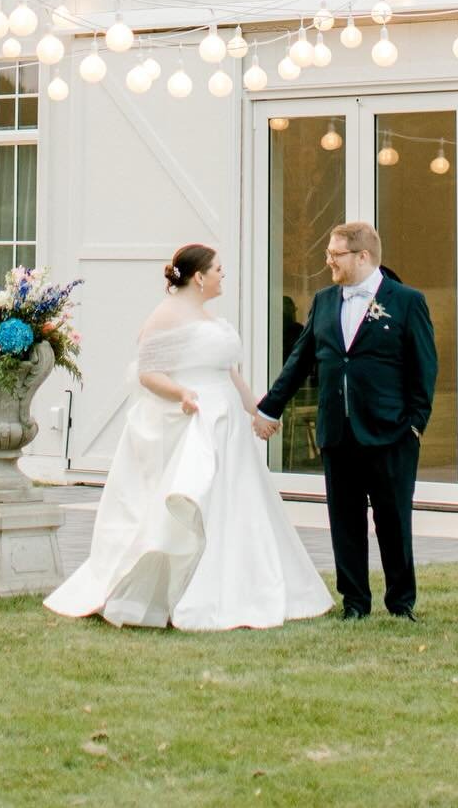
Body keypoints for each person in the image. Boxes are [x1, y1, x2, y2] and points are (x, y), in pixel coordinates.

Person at [44, 244, 332, 630]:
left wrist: (257, 411)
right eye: (218, 270)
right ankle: (188, 591)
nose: (222, 276)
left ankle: (248, 583)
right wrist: (181, 394)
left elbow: (229, 372)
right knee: (201, 499)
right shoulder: (165, 317)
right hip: (197, 420)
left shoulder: (207, 316)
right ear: (199, 277)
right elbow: (148, 372)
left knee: (239, 499)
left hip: (228, 420)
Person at [253, 222, 437, 622]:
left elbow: (424, 369)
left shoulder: (406, 301)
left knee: (393, 521)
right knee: (345, 521)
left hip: (391, 432)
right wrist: (270, 407)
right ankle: (355, 603)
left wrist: (414, 425)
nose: (328, 262)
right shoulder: (323, 301)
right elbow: (300, 360)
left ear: (363, 256)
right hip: (338, 432)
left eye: (335, 255)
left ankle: (401, 603)